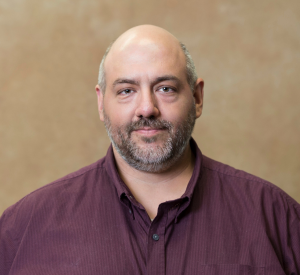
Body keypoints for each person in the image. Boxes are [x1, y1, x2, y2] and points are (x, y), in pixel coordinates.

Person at [0, 25, 299, 275]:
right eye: (126, 91)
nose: (146, 108)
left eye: (165, 88)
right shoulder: (22, 228)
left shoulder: (278, 219)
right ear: (102, 104)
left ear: (197, 98)